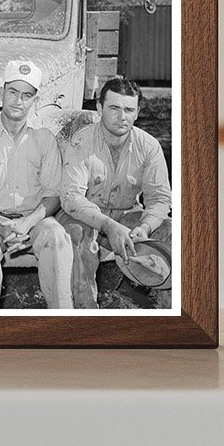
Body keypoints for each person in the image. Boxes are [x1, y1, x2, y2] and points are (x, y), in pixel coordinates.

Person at [0, 60, 76, 309]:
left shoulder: (44, 138)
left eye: (26, 95)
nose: (18, 101)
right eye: (12, 92)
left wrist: (26, 224)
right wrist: (1, 225)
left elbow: (52, 194)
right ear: (1, 93)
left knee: (56, 235)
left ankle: (62, 319)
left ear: (35, 100)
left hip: (33, 217)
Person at [60, 76, 172, 306]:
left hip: (127, 217)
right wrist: (108, 226)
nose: (122, 117)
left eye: (129, 109)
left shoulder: (149, 146)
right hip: (86, 217)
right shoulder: (81, 141)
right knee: (80, 235)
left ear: (138, 112)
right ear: (100, 108)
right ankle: (85, 314)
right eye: (114, 108)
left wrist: (145, 226)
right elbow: (71, 198)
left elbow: (159, 198)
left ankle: (170, 308)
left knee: (172, 230)